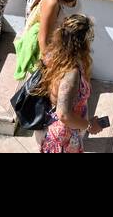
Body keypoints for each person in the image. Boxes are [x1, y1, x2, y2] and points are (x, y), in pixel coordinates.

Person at [34, 14, 104, 153]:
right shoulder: (71, 73)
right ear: (83, 42)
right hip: (63, 138)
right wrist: (90, 125)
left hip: (54, 129)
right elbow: (64, 114)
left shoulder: (54, 55)